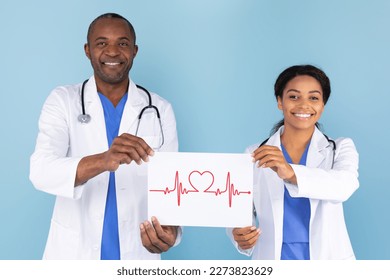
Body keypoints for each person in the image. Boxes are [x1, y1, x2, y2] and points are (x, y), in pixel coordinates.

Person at [30, 13, 180, 260]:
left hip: (136, 253)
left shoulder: (160, 109)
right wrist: (104, 160)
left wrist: (171, 232)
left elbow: (171, 184)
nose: (113, 52)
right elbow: (40, 170)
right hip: (74, 253)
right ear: (88, 50)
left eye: (122, 43)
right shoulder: (63, 100)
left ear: (134, 50)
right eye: (102, 43)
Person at [228, 65, 359, 260]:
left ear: (323, 104)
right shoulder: (254, 153)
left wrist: (290, 173)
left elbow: (345, 186)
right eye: (293, 96)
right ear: (280, 102)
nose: (303, 105)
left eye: (313, 98)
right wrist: (238, 235)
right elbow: (239, 210)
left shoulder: (340, 147)